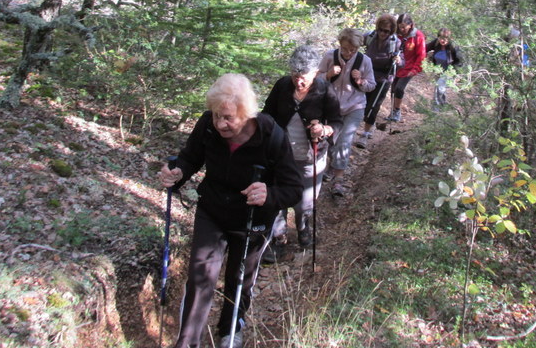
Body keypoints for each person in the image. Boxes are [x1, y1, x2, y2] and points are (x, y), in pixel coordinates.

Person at [158, 73, 303, 348]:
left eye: (228, 118)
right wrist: (178, 174)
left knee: (240, 277)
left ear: (247, 114)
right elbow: (190, 157)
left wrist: (269, 194)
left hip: (253, 218)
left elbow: (293, 188)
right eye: (215, 115)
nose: (220, 123)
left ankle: (230, 330)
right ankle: (187, 341)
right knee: (201, 274)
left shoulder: (271, 135)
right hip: (212, 209)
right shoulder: (208, 125)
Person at [261, 45, 343, 259]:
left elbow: (337, 121)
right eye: (294, 75)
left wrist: (324, 130)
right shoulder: (282, 86)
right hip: (280, 156)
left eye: (303, 76)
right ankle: (279, 238)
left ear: (315, 72)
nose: (298, 81)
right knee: (277, 198)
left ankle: (303, 227)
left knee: (304, 202)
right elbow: (266, 115)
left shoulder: (324, 89)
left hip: (311, 157)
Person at [318, 28, 376, 197]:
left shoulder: (364, 61)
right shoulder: (330, 56)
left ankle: (338, 179)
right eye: (345, 49)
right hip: (331, 106)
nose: (349, 53)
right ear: (340, 44)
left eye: (353, 50)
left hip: (355, 106)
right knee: (330, 141)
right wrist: (328, 74)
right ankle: (330, 166)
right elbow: (317, 78)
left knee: (344, 141)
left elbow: (371, 85)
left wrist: (360, 80)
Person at [355, 14, 402, 148]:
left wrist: (398, 60)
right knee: (361, 103)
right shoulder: (369, 37)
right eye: (380, 29)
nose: (382, 33)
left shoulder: (395, 43)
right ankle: (366, 126)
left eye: (386, 31)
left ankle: (365, 134)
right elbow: (355, 45)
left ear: (391, 30)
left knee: (374, 106)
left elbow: (401, 61)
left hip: (384, 78)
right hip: (366, 75)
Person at [386, 13, 427, 123]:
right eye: (400, 27)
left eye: (404, 27)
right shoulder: (396, 34)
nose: (402, 29)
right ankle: (393, 111)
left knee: (399, 88)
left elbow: (421, 55)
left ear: (411, 25)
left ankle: (397, 111)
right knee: (393, 88)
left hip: (410, 67)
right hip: (397, 66)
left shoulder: (418, 36)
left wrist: (415, 70)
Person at [425, 27, 463, 106]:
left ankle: (436, 109)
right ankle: (443, 106)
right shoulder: (436, 43)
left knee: (439, 87)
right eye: (441, 38)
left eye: (446, 38)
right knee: (440, 89)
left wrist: (457, 75)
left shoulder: (453, 47)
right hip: (438, 70)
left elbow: (459, 62)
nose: (443, 40)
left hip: (449, 71)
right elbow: (424, 48)